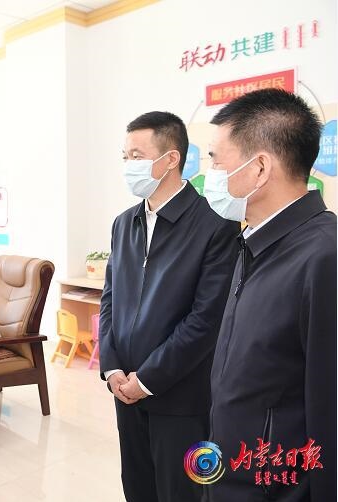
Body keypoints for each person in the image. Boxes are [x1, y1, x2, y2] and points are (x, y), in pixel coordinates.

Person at [99, 112, 239, 502]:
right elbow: (110, 298)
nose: (128, 165)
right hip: (125, 391)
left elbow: (206, 319)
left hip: (181, 398)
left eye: (137, 156)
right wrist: (112, 367)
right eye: (125, 157)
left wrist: (147, 380)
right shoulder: (124, 223)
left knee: (184, 493)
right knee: (137, 487)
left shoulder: (215, 223)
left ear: (171, 159)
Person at [206, 89, 336, 501]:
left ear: (260, 168)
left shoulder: (324, 257)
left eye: (217, 161)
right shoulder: (255, 242)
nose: (210, 174)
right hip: (231, 473)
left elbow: (329, 411)